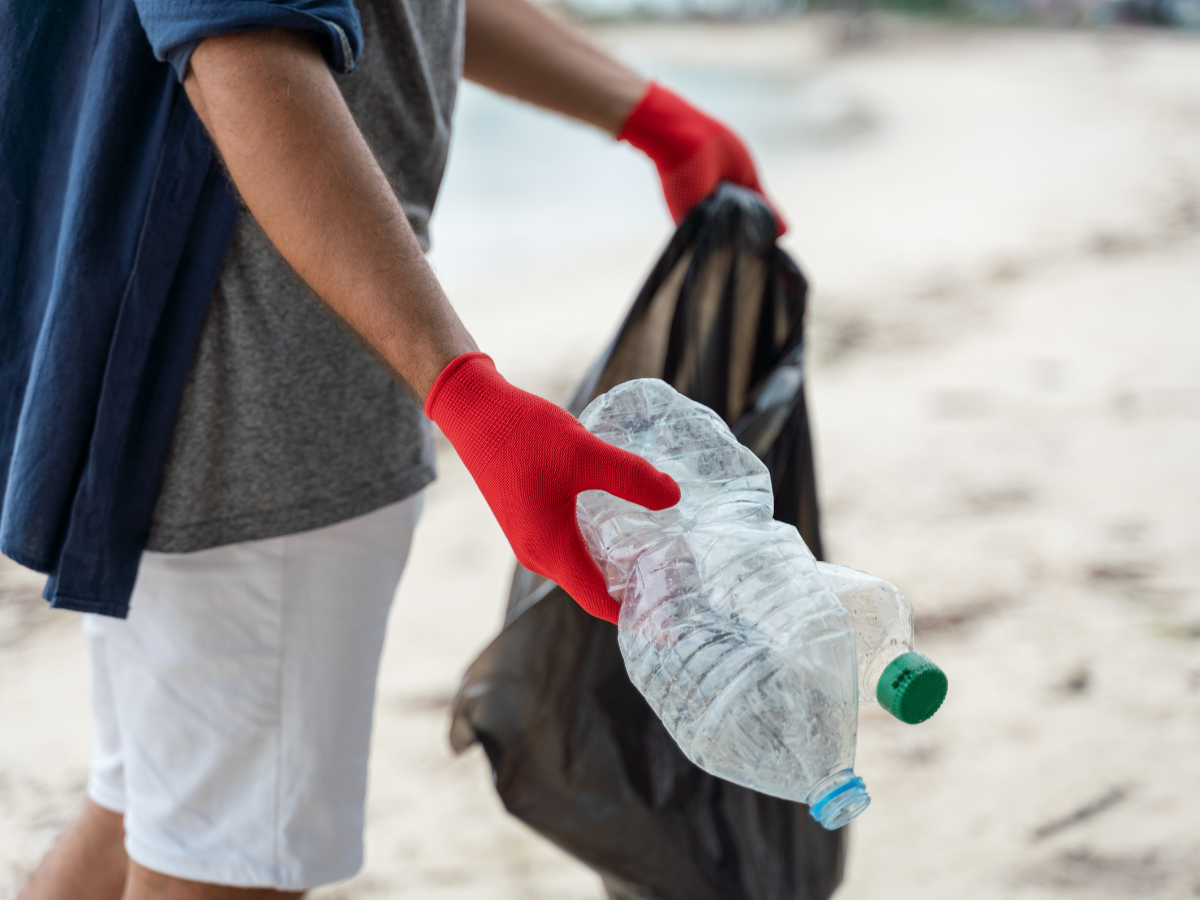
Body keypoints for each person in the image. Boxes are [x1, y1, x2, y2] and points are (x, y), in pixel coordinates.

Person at [14, 0, 780, 896]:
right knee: (218, 866)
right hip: (264, 394)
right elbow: (240, 38)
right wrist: (468, 392)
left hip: (158, 367)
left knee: (150, 808)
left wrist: (647, 113)